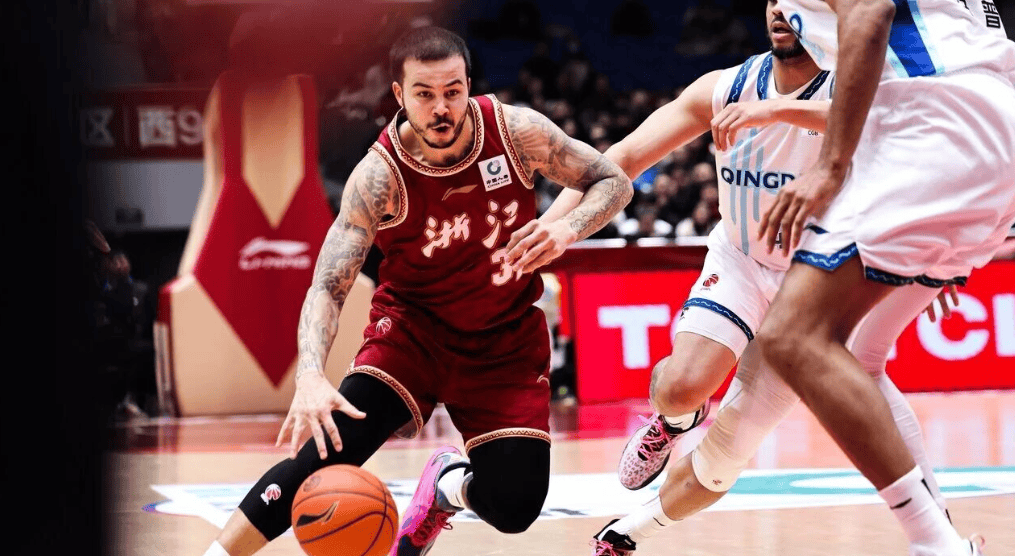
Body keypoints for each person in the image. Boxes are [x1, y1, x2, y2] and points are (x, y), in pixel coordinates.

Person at [537, 2, 954, 553]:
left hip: (815, 285)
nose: (781, 9)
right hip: (741, 261)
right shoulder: (725, 87)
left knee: (726, 457)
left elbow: (893, 133)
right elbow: (623, 158)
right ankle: (673, 422)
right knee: (679, 387)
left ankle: (627, 534)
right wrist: (547, 228)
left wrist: (928, 255)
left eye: (798, 1)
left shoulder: (855, 89)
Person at [200, 26, 632, 556]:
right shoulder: (378, 177)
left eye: (453, 91)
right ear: (400, 95)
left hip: (504, 341)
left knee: (515, 507)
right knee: (324, 454)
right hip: (412, 337)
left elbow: (614, 181)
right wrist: (310, 374)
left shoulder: (517, 133)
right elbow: (328, 287)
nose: (441, 108)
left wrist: (566, 229)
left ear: (468, 85)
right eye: (425, 94)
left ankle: (447, 487)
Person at [752, 0, 1015, 554]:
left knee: (793, 335)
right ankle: (939, 535)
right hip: (980, 126)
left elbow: (870, 11)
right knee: (858, 355)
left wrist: (830, 167)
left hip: (934, 123)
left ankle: (936, 545)